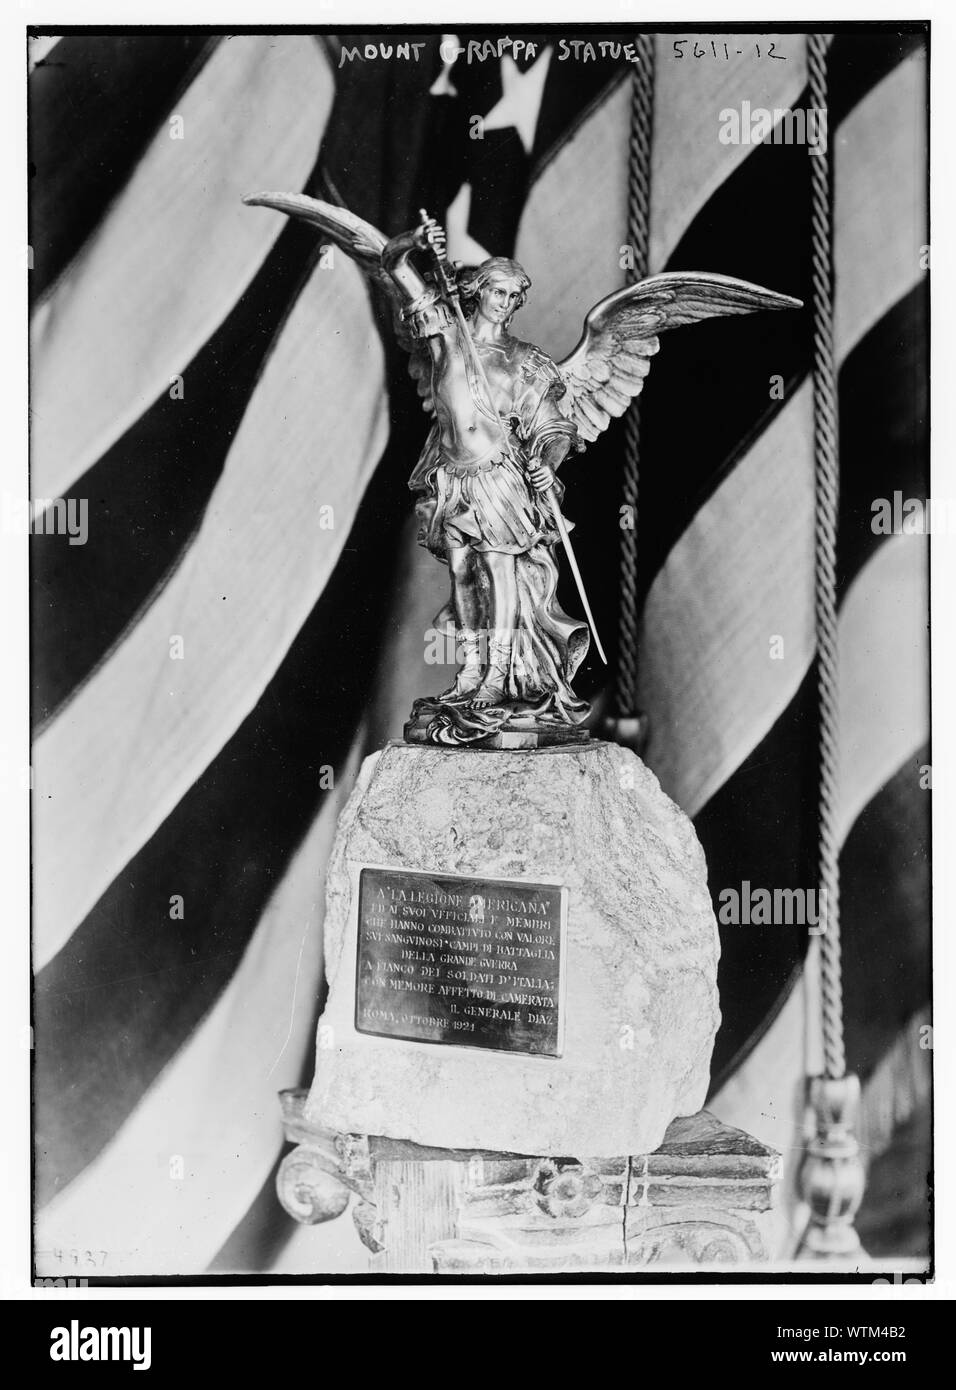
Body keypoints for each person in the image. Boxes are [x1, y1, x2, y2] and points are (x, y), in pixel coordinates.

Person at [382, 220, 589, 729]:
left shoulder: (526, 362)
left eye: (517, 296)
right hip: (453, 476)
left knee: (499, 569)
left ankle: (499, 676)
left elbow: (555, 427)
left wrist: (546, 462)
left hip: (501, 478)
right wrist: (417, 241)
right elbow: (392, 263)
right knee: (459, 572)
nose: (507, 303)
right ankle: (472, 672)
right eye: (500, 291)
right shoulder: (444, 334)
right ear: (478, 290)